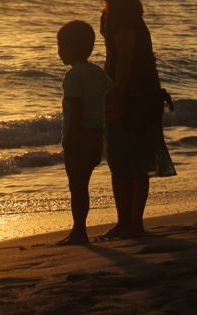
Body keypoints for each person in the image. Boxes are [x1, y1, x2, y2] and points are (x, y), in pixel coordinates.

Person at [83, 0, 176, 240]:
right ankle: (132, 223)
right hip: (141, 93)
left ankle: (128, 223)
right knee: (134, 161)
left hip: (133, 95)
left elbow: (125, 59)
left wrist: (118, 97)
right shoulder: (118, 10)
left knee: (124, 160)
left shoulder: (121, 14)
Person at [56, 20, 112, 246]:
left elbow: (75, 107)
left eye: (60, 47)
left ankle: (79, 231)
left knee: (77, 188)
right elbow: (113, 93)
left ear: (69, 49)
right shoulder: (96, 72)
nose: (59, 52)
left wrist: (69, 138)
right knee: (83, 186)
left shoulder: (73, 76)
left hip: (79, 137)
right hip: (97, 136)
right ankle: (79, 230)